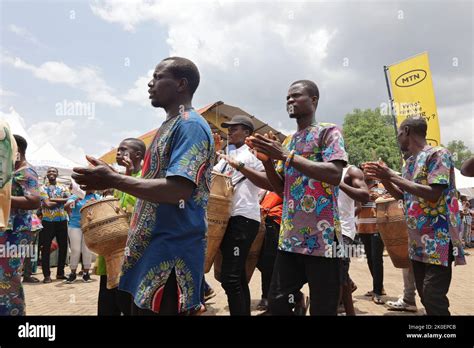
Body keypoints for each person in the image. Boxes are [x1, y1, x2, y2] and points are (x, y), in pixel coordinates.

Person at [72, 57, 214, 315]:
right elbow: (153, 184)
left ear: (181, 84)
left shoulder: (190, 125)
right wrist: (112, 176)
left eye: (159, 77)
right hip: (153, 250)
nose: (151, 83)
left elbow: (178, 190)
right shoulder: (170, 125)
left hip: (171, 254)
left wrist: (113, 180)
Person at [249, 80, 348, 315]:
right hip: (290, 236)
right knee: (279, 302)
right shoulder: (289, 141)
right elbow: (280, 188)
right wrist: (268, 163)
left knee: (324, 306)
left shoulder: (328, 132)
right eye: (287, 98)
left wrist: (286, 156)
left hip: (323, 239)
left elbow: (334, 174)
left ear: (313, 100)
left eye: (296, 96)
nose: (290, 101)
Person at [365, 116, 466, 315]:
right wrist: (384, 180)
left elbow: (433, 192)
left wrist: (391, 175)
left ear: (408, 131)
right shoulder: (409, 162)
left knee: (432, 294)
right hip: (417, 239)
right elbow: (404, 196)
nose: (398, 138)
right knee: (423, 293)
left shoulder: (438, 154)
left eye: (399, 134)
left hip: (439, 237)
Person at [213, 115, 265, 316]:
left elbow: (265, 181)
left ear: (247, 133)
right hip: (230, 219)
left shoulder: (252, 156)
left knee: (230, 278)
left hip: (243, 219)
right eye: (229, 128)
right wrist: (215, 153)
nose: (229, 131)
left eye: (235, 128)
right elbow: (213, 176)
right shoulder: (227, 158)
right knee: (238, 277)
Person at [96, 137, 145, 316]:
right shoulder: (118, 181)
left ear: (138, 155)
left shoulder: (144, 180)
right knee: (107, 302)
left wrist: (129, 175)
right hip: (112, 250)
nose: (118, 153)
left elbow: (138, 208)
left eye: (123, 150)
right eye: (118, 150)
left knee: (126, 301)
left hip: (129, 253)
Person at [0, 134, 40, 315]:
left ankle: (14, 312)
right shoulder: (9, 172)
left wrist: (5, 198)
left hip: (16, 233)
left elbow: (34, 201)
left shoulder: (26, 172)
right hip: (7, 231)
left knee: (9, 277)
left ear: (17, 151)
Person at [337, 165, 370, 315]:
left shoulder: (351, 171)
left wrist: (338, 182)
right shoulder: (317, 168)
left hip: (343, 230)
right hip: (323, 230)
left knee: (339, 270)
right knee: (337, 273)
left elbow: (364, 197)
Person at [356, 177, 386, 304]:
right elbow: (354, 203)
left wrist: (378, 198)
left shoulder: (382, 185)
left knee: (376, 258)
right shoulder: (358, 184)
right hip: (363, 226)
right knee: (369, 258)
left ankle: (378, 292)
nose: (366, 172)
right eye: (364, 170)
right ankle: (379, 287)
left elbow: (388, 201)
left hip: (377, 226)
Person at [39, 167, 70, 283]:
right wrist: (61, 200)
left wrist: (53, 199)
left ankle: (60, 273)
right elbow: (47, 204)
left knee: (63, 247)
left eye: (54, 172)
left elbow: (70, 199)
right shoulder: (42, 187)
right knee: (46, 248)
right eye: (49, 172)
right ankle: (46, 275)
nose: (51, 173)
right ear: (47, 175)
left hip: (62, 220)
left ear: (57, 174)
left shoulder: (64, 187)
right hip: (48, 221)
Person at [64, 187, 101, 283]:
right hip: (75, 225)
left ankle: (86, 273)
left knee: (87, 250)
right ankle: (72, 273)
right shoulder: (75, 196)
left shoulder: (96, 197)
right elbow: (67, 208)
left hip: (89, 226)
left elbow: (101, 209)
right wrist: (75, 200)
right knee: (75, 249)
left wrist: (95, 203)